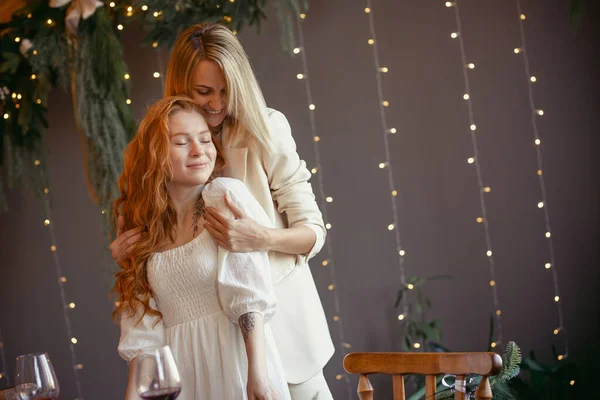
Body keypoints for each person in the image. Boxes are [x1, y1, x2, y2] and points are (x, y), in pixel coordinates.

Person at [110, 23, 335, 399]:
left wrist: (259, 237)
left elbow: (313, 230)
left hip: (284, 333)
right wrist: (126, 253)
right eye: (203, 92)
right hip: (210, 353)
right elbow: (149, 269)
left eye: (226, 91)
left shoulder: (265, 129)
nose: (216, 103)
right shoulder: (163, 149)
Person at [114, 96, 290, 400]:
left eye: (205, 139)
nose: (199, 151)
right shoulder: (145, 228)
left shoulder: (224, 196)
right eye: (182, 142)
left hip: (238, 366)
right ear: (156, 154)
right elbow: (143, 335)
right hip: (179, 380)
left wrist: (257, 376)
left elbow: (248, 297)